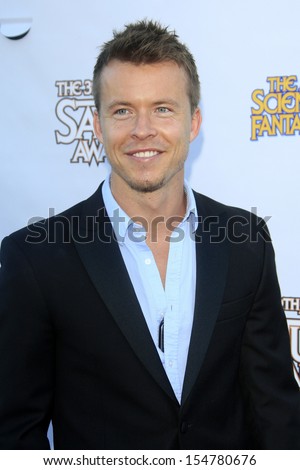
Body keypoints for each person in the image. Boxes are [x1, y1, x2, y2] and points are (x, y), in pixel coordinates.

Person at [0, 20, 299, 451]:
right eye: (122, 110)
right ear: (98, 126)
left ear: (193, 122)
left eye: (163, 108)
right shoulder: (35, 257)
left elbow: (276, 411)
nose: (143, 130)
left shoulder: (245, 241)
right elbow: (15, 434)